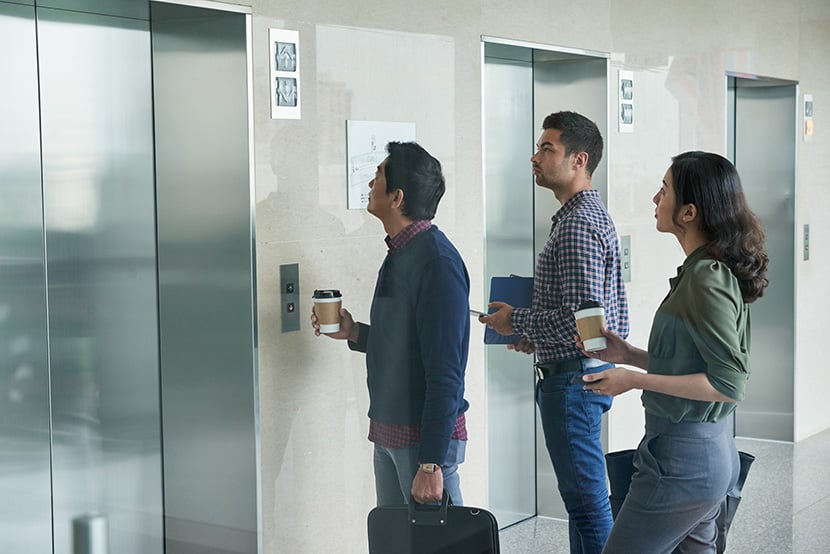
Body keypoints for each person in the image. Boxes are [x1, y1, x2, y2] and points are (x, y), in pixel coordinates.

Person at [577, 151, 769, 553]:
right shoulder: (704, 270)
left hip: (684, 465)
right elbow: (696, 364)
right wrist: (629, 355)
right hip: (698, 458)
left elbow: (727, 382)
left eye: (664, 190)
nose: (655, 199)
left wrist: (633, 380)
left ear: (689, 212)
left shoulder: (706, 277)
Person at [480, 111, 629, 553]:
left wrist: (517, 321)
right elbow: (580, 320)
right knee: (584, 503)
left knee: (587, 504)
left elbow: (584, 324)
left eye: (548, 149)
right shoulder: (580, 217)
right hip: (578, 374)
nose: (535, 157)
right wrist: (537, 336)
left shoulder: (578, 225)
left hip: (574, 382)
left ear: (579, 160)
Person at [311, 141, 470, 506]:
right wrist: (353, 332)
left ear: (397, 197)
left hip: (421, 442)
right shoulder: (401, 252)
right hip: (389, 431)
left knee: (440, 545)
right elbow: (407, 343)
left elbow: (446, 371)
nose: (369, 183)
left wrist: (431, 462)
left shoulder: (436, 262)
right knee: (395, 541)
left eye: (378, 175)